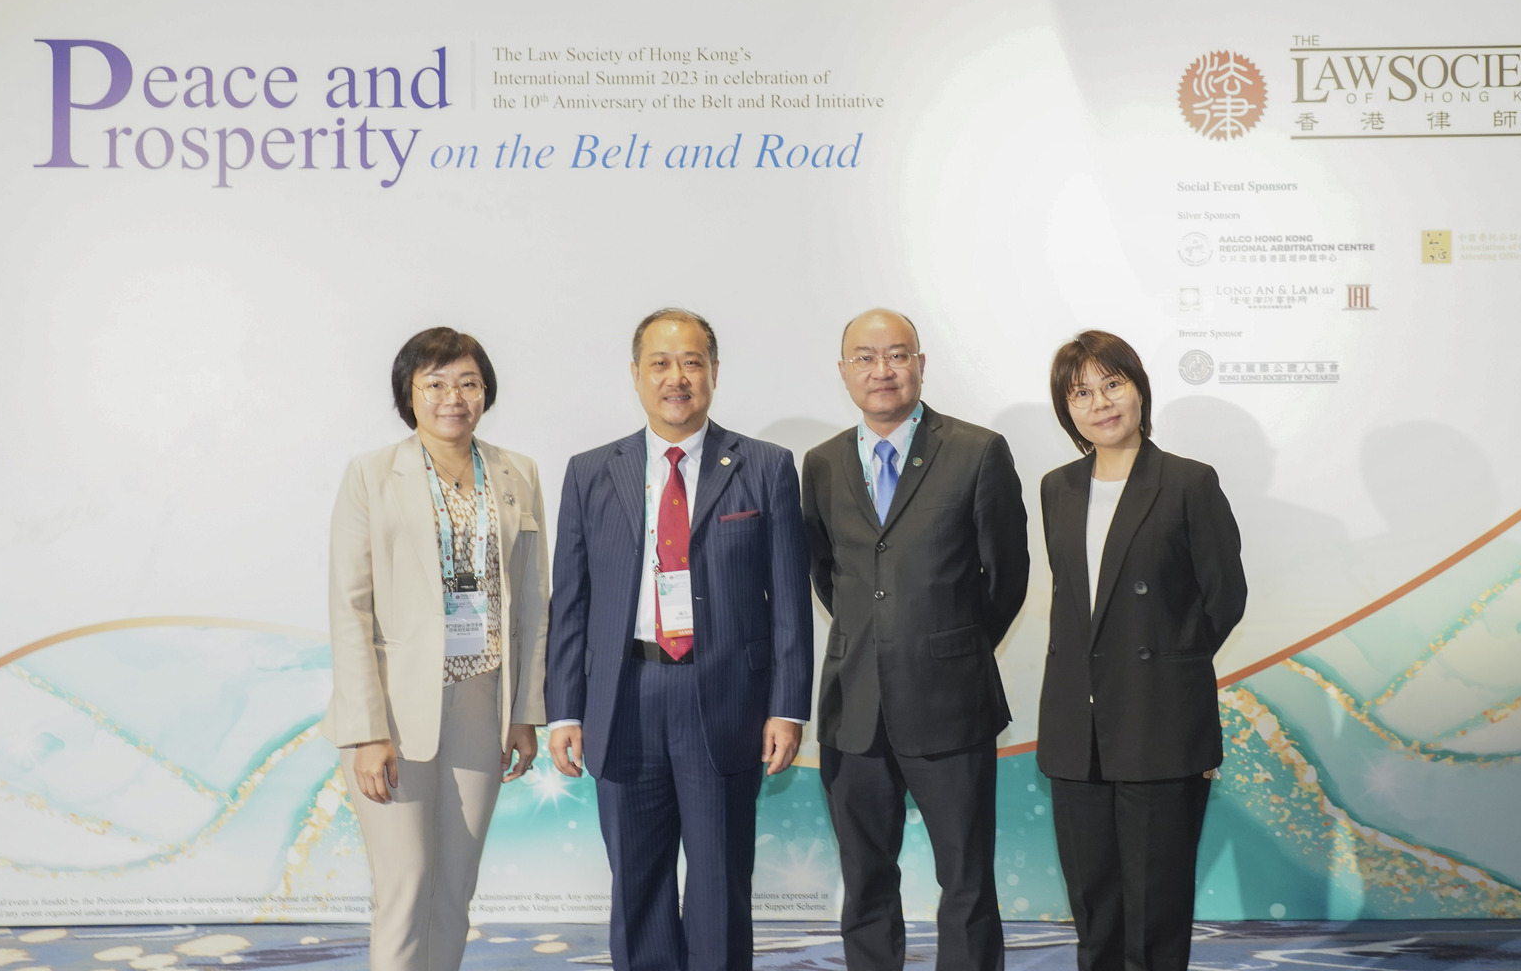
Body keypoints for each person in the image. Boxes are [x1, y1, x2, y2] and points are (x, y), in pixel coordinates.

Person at [545, 307, 813, 971]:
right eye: (660, 363)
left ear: (714, 372)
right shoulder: (589, 471)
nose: (677, 377)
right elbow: (570, 603)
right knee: (637, 886)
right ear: (636, 374)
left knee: (720, 883)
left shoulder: (766, 467)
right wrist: (565, 710)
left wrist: (787, 706)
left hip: (722, 698)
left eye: (692, 362)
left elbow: (789, 600)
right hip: (623, 699)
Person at [802, 308, 1028, 971]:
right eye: (866, 357)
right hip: (854, 708)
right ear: (844, 371)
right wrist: (877, 640)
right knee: (866, 878)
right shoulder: (821, 463)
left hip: (951, 702)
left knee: (966, 880)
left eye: (897, 355)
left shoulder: (977, 451)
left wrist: (946, 645)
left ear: (920, 365)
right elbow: (826, 573)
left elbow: (1006, 577)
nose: (882, 370)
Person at [321, 326, 549, 971]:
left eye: (468, 383)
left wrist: (525, 712)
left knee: (454, 888)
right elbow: (349, 607)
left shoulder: (517, 472)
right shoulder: (371, 475)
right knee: (405, 887)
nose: (454, 397)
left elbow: (535, 602)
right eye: (436, 383)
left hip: (484, 699)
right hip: (394, 710)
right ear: (409, 394)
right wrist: (366, 730)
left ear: (486, 392)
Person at [1036, 329, 1247, 971]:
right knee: (1093, 909)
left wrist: (1164, 665)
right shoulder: (1056, 488)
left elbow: (1224, 598)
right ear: (1066, 410)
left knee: (1156, 913)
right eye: (1081, 393)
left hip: (1159, 721)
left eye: (1112, 384)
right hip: (1077, 728)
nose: (1100, 402)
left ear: (1139, 390)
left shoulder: (1188, 482)